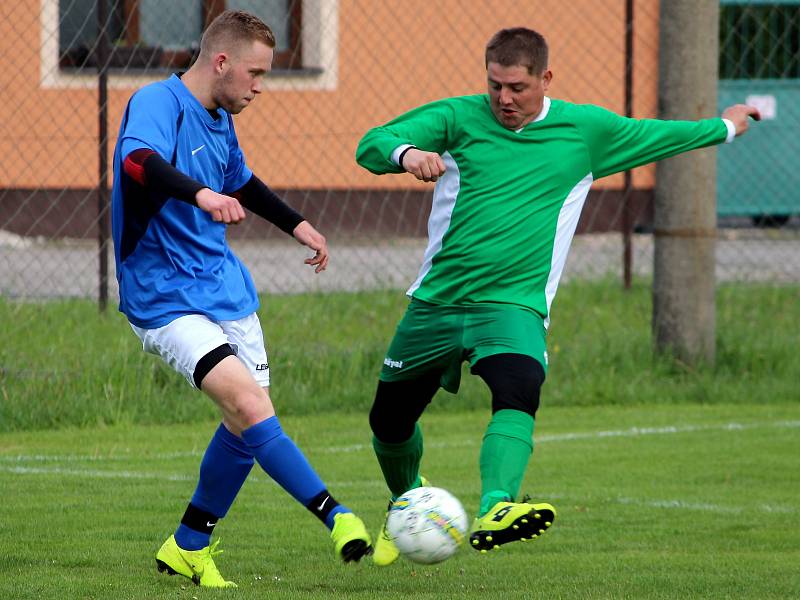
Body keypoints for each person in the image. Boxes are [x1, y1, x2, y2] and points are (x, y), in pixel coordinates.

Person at [355, 27, 759, 566]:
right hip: (437, 302)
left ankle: (498, 505)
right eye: (495, 85)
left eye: (517, 87)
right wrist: (406, 153)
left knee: (519, 384)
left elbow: (663, 135)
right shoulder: (455, 118)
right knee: (389, 422)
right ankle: (406, 500)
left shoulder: (584, 131)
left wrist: (728, 126)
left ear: (545, 79)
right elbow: (370, 144)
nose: (503, 99)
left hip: (513, 304)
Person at [111, 10, 372, 588]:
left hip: (224, 289)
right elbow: (138, 161)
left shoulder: (220, 120)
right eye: (255, 73)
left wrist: (298, 224)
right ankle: (338, 517)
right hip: (163, 296)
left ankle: (188, 545)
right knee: (254, 411)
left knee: (243, 424)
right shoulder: (158, 102)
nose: (260, 86)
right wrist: (200, 193)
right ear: (221, 61)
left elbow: (241, 180)